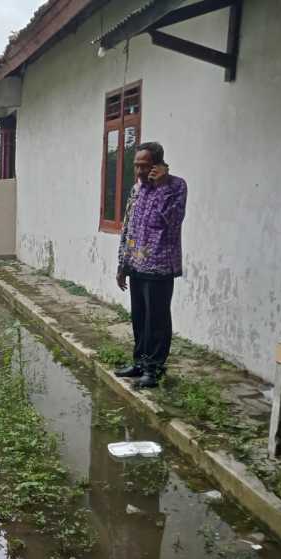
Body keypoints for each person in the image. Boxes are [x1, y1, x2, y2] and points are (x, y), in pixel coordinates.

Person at [115, 141, 187, 389]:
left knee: (157, 321)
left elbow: (173, 221)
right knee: (139, 318)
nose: (139, 172)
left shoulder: (176, 186)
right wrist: (122, 264)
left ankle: (154, 369)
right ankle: (139, 363)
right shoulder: (136, 189)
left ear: (157, 165)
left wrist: (162, 187)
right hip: (136, 264)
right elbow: (128, 227)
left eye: (144, 167)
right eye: (136, 166)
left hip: (160, 267)